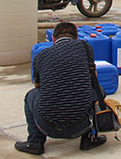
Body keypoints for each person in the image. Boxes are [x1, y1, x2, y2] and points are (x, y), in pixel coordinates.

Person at [15, 22, 106, 155]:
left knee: (31, 95)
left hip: (47, 125)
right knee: (99, 91)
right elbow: (94, 78)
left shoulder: (41, 56)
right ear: (77, 38)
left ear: (53, 39)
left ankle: (35, 142)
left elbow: (38, 85)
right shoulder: (85, 48)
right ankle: (89, 138)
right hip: (80, 124)